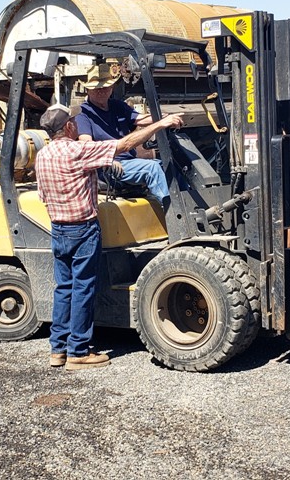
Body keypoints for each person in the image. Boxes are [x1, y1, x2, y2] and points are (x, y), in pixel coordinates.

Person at [36, 102, 184, 370]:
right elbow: (125, 144)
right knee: (83, 288)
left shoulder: (42, 156)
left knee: (64, 288)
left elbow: (43, 195)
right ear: (68, 126)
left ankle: (58, 349)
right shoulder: (78, 150)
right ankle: (78, 352)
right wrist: (160, 124)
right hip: (82, 228)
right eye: (73, 122)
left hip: (58, 229)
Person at [75, 63, 179, 206]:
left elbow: (141, 119)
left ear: (112, 88)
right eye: (96, 88)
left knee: (171, 166)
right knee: (152, 169)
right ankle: (177, 214)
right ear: (88, 90)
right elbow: (86, 144)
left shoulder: (117, 106)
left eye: (105, 87)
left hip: (129, 163)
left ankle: (192, 209)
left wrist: (166, 118)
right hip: (108, 168)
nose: (101, 91)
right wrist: (106, 160)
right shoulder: (83, 114)